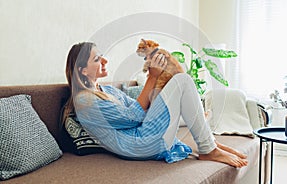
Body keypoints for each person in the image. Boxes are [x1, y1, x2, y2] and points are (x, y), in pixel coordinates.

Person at [64, 42, 248, 168]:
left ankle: (209, 141)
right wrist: (152, 77)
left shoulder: (107, 90)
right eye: (97, 59)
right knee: (182, 81)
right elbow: (134, 116)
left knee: (178, 82)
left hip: (144, 135)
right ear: (82, 70)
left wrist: (158, 79)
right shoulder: (83, 100)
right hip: (139, 145)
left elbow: (140, 110)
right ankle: (208, 149)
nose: (105, 61)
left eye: (102, 56)